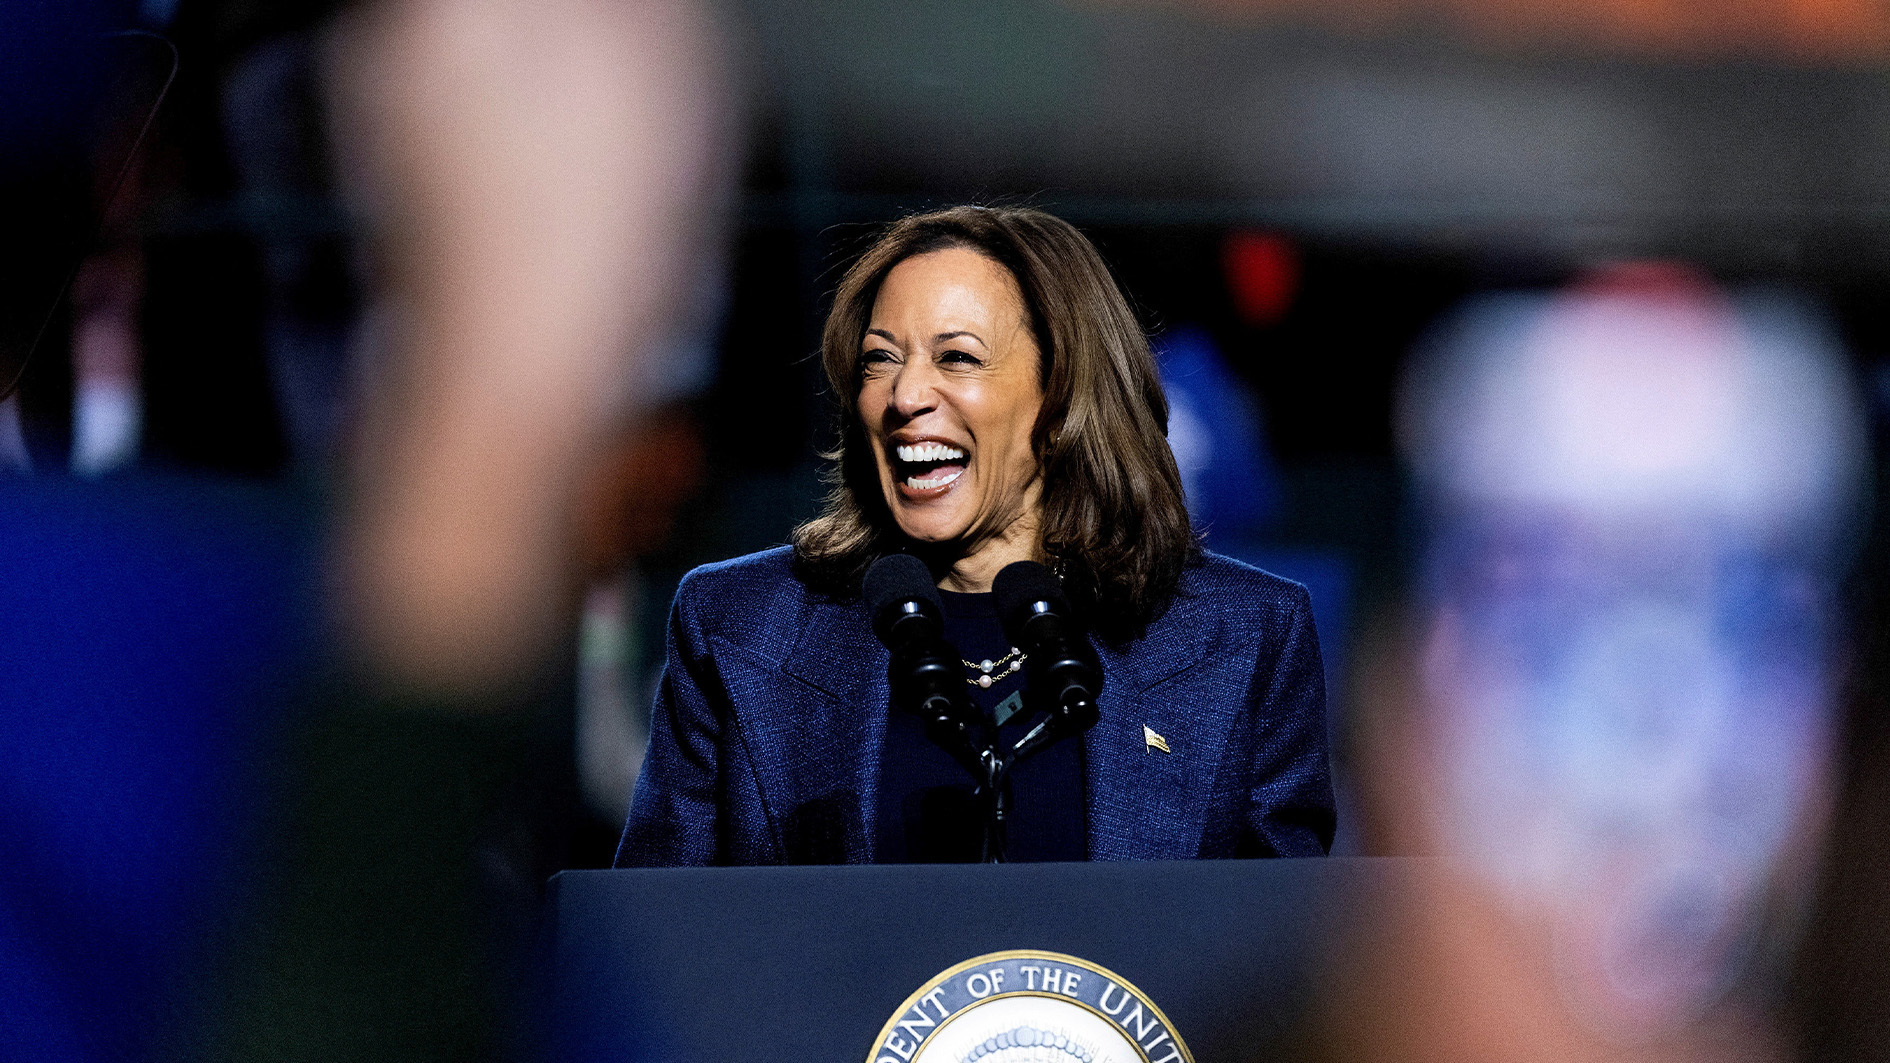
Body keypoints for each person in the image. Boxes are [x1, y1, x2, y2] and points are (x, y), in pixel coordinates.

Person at [616, 205, 1334, 866]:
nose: (904, 396)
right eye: (879, 359)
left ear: (1063, 397)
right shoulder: (739, 628)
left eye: (956, 357)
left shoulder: (1246, 638)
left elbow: (1285, 943)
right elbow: (654, 935)